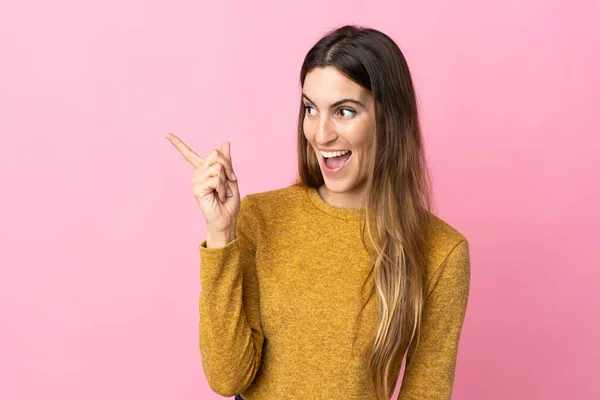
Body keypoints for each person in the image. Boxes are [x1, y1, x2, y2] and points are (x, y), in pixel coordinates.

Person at [165, 24, 470, 400]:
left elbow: (426, 392)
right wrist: (221, 235)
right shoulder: (261, 217)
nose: (320, 134)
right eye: (311, 109)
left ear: (390, 119)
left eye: (344, 111)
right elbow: (227, 378)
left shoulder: (441, 251)